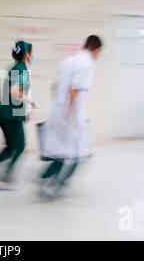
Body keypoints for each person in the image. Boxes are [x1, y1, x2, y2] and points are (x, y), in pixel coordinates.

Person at [38, 35, 102, 198]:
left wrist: (59, 107)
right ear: (96, 50)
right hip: (71, 115)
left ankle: (45, 178)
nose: (98, 56)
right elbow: (75, 89)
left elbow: (54, 87)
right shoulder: (87, 64)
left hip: (57, 112)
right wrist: (70, 113)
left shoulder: (67, 61)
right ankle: (59, 185)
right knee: (79, 153)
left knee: (61, 152)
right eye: (99, 53)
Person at [0, 40, 34, 190]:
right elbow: (14, 92)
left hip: (4, 114)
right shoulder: (22, 69)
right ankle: (6, 179)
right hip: (12, 116)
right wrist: (30, 101)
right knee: (20, 146)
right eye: (31, 52)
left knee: (10, 146)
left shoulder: (14, 67)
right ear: (27, 54)